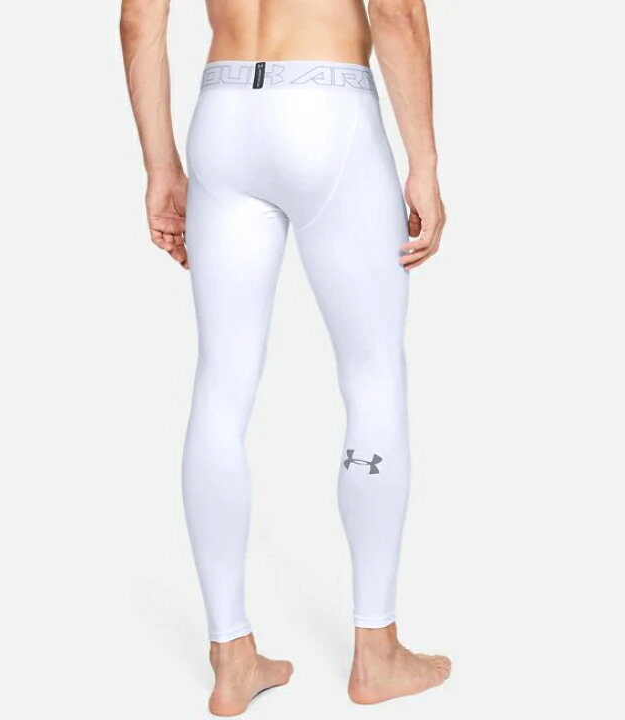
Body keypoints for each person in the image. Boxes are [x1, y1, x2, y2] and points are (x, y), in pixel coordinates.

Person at [120, 0, 449, 714]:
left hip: (224, 116)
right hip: (329, 111)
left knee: (221, 384)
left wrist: (160, 167)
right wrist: (424, 161)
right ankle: (377, 652)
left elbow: (140, 18)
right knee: (373, 377)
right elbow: (397, 10)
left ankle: (230, 657)